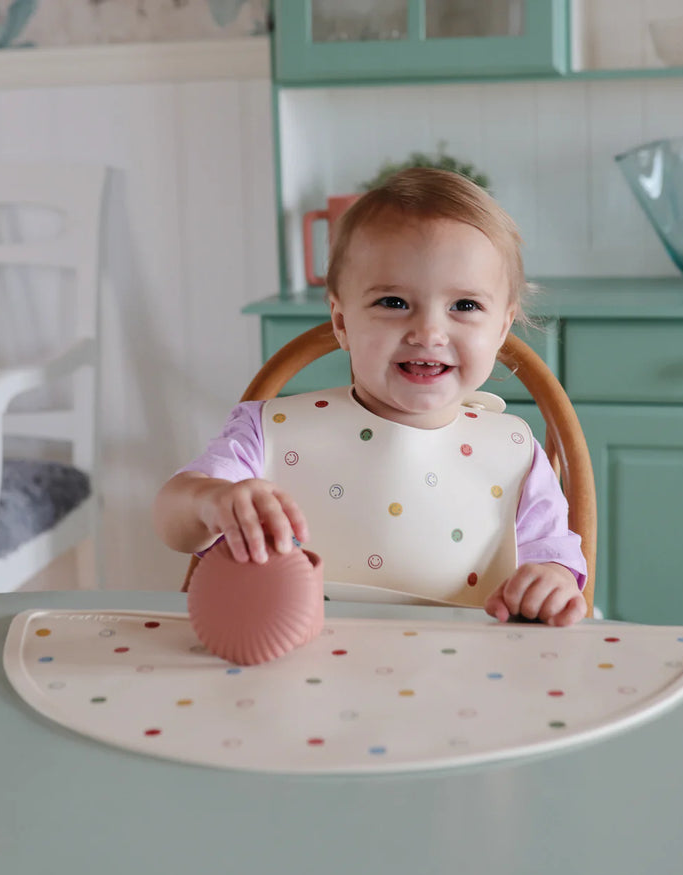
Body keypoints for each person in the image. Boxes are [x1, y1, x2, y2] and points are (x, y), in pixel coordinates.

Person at [155, 168, 587, 626]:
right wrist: (212, 502)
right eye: (394, 303)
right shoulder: (268, 435)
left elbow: (554, 562)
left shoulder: (515, 456)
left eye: (465, 306)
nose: (428, 333)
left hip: (463, 680)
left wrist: (550, 582)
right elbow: (172, 519)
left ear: (501, 328)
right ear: (341, 322)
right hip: (289, 672)